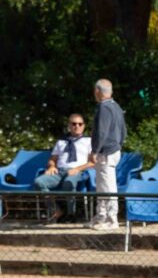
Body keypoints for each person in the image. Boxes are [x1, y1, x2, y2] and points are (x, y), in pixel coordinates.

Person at [33, 113, 94, 223]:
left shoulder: (88, 141)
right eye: (74, 124)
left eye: (80, 124)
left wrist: (77, 169)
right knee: (39, 182)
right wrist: (52, 166)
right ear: (69, 126)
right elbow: (52, 159)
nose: (77, 126)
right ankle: (56, 210)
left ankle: (71, 214)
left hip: (77, 171)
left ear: (84, 126)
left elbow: (92, 162)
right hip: (59, 171)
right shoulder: (61, 141)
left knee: (68, 183)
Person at [87, 79, 127, 230]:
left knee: (107, 186)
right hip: (113, 149)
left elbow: (101, 132)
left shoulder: (103, 107)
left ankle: (111, 219)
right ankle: (101, 217)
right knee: (102, 186)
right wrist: (118, 145)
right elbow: (123, 131)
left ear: (97, 91)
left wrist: (95, 150)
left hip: (106, 152)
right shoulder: (116, 106)